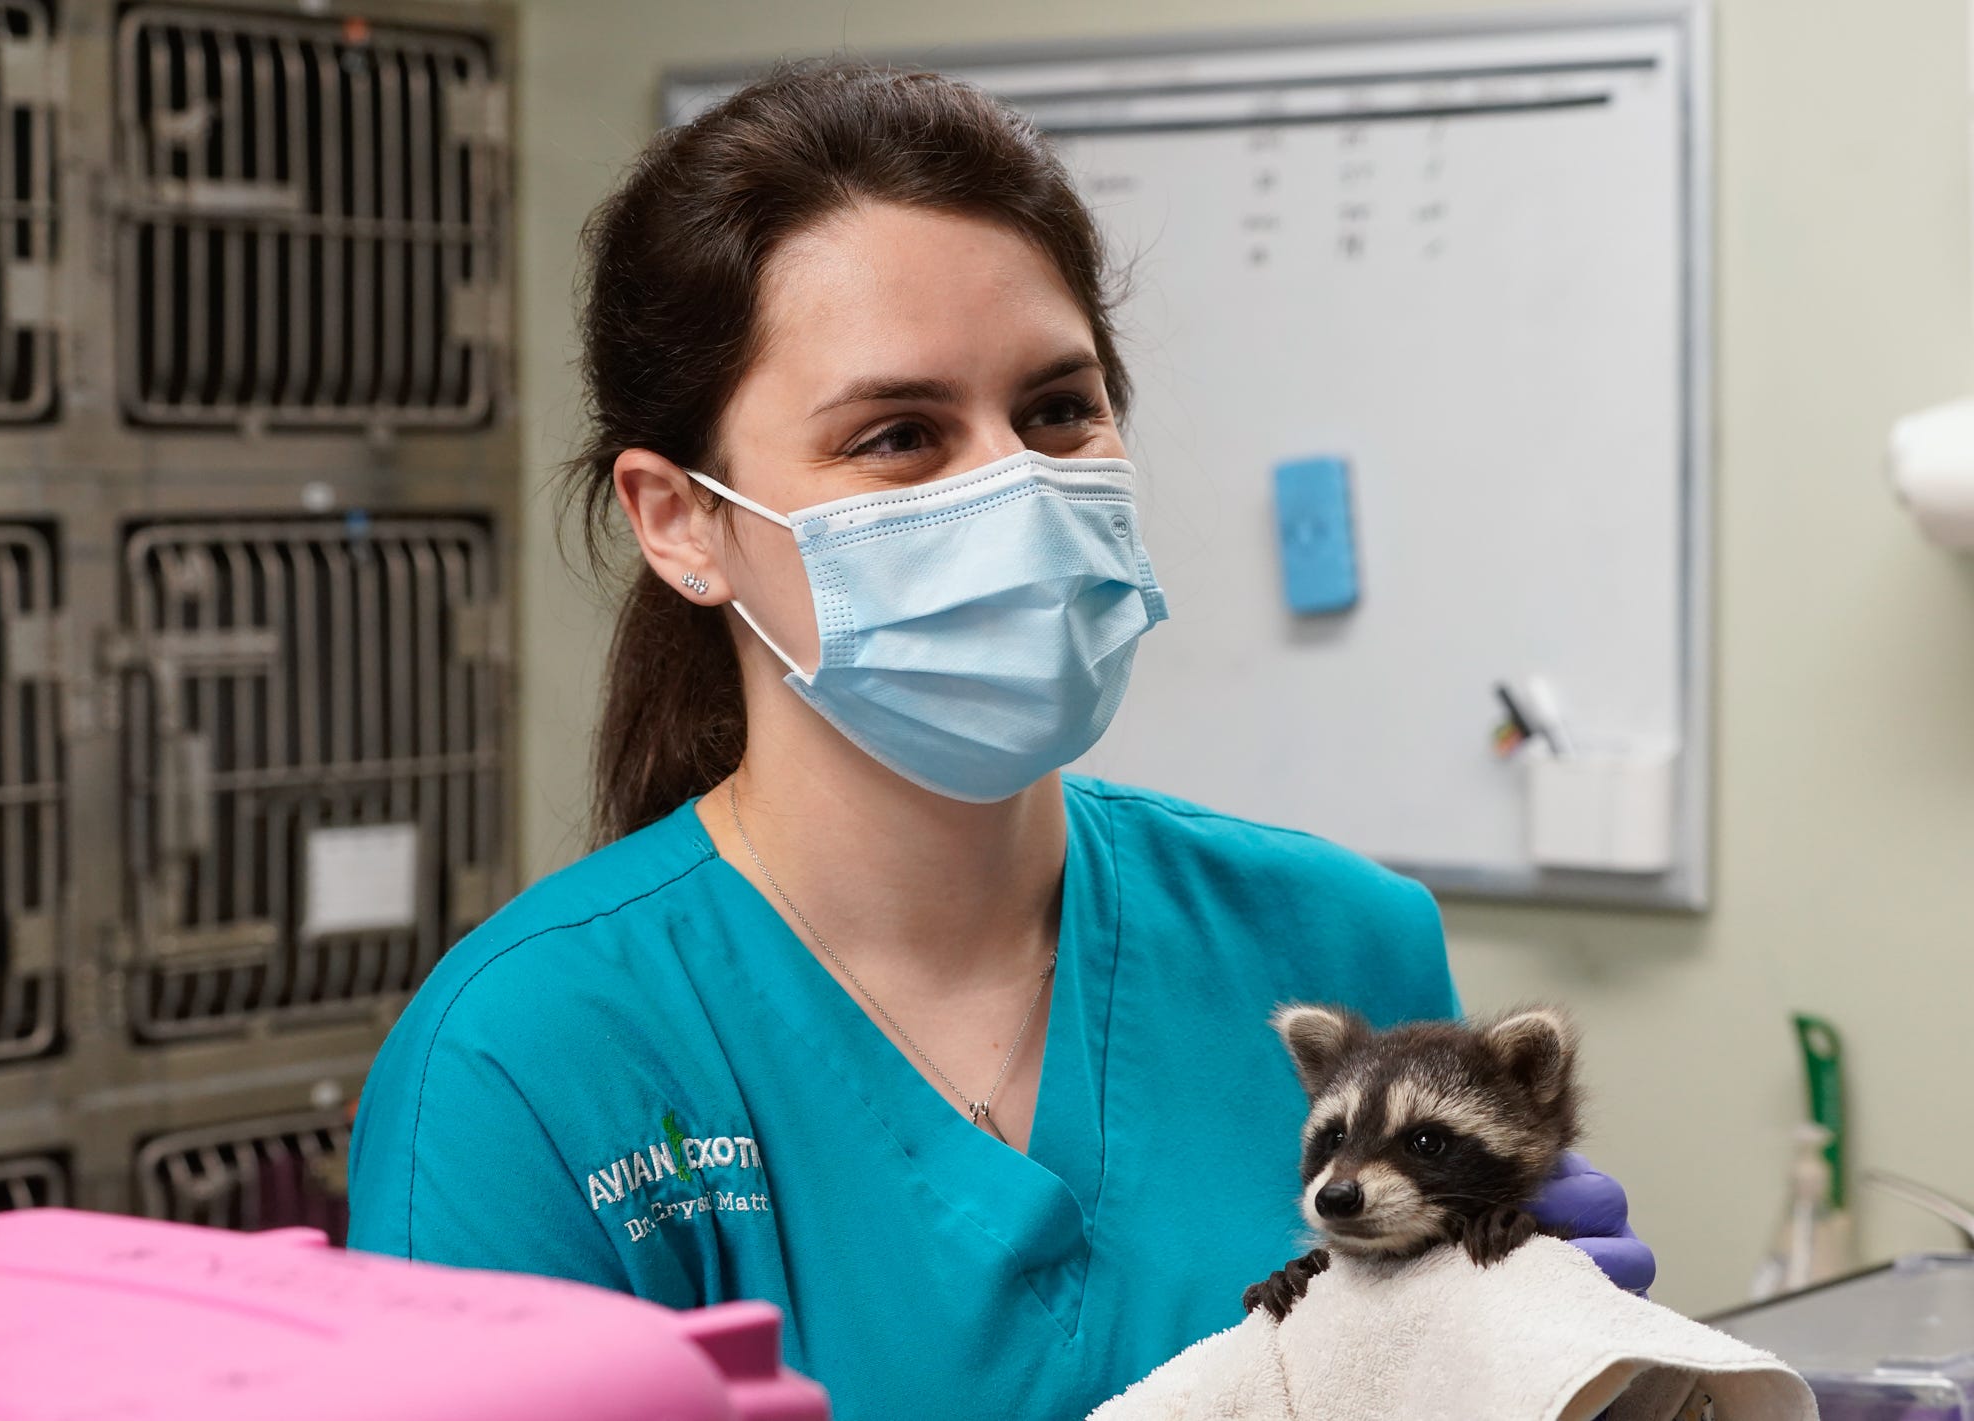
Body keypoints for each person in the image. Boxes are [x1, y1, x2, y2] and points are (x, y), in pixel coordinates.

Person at [346, 59, 1652, 1419]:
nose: (1017, 489)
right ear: (680, 518)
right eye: (900, 434)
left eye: (1057, 410)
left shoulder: (1333, 939)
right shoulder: (530, 1061)